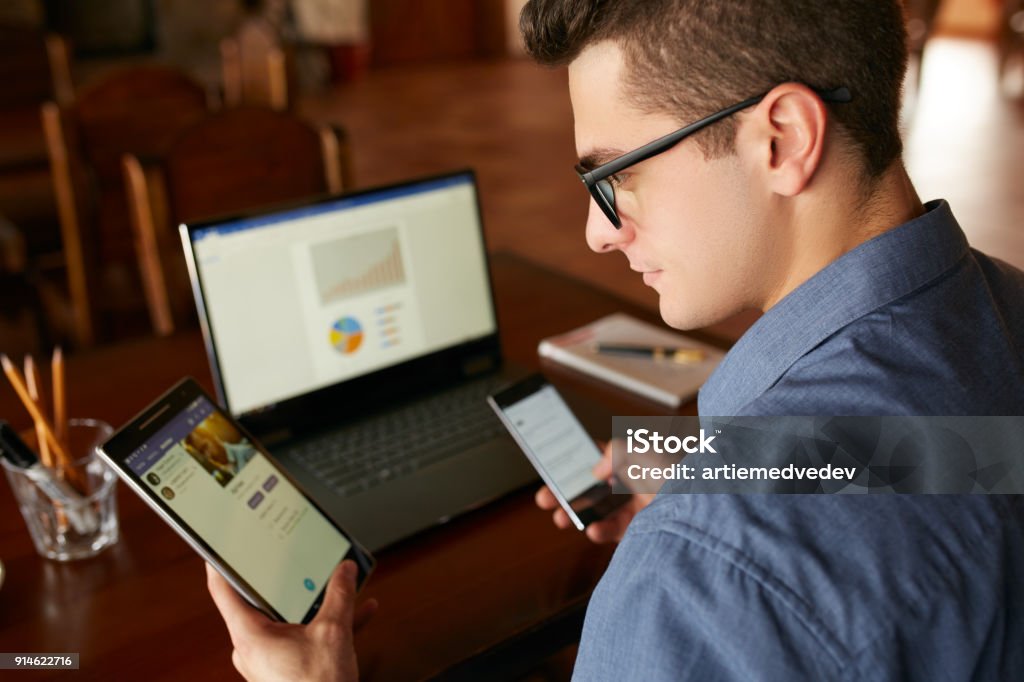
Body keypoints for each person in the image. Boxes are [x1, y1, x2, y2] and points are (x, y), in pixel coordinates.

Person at [207, 1, 1024, 679]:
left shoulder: (697, 579)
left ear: (781, 138)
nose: (597, 233)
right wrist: (733, 462)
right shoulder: (1004, 310)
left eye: (614, 177)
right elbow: (978, 457)